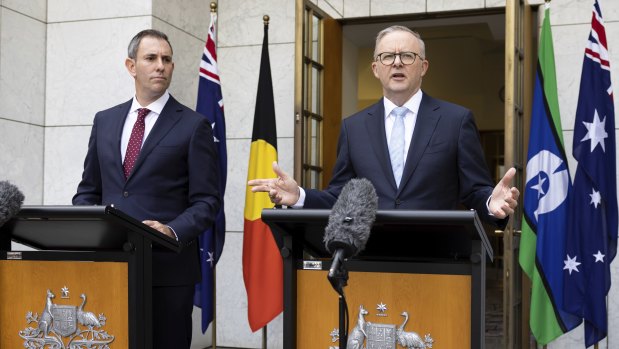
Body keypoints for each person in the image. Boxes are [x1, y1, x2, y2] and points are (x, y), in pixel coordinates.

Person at [249, 25, 519, 227]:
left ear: (423, 67)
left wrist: (490, 203)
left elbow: (474, 190)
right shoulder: (353, 128)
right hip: (371, 260)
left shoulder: (456, 121)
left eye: (408, 56)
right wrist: (299, 196)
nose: (397, 62)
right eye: (387, 56)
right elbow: (339, 197)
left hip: (438, 262)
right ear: (376, 68)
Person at [73, 29, 220, 348]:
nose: (160, 66)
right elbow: (88, 191)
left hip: (167, 275)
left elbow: (207, 201)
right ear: (131, 66)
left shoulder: (194, 126)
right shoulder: (105, 121)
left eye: (167, 59)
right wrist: (87, 236)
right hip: (110, 268)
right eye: (151, 58)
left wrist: (171, 230)